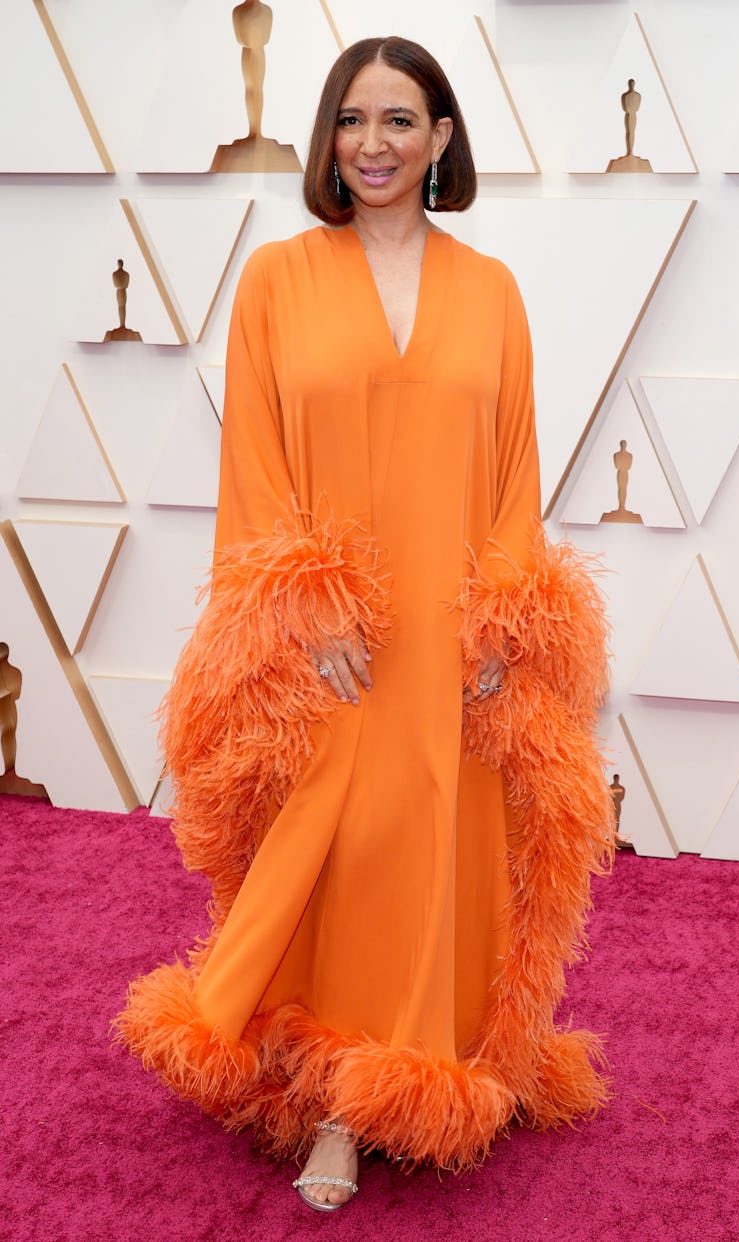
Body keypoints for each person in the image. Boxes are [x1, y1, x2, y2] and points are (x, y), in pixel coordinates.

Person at [115, 36, 613, 1213]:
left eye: (399, 121)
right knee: (337, 852)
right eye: (351, 121)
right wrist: (306, 602)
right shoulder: (279, 279)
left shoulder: (491, 291)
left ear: (443, 139)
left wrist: (500, 615)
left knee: (434, 845)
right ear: (328, 140)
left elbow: (512, 471)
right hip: (331, 642)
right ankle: (338, 1096)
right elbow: (258, 464)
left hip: (454, 637)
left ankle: (418, 1073)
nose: (373, 145)